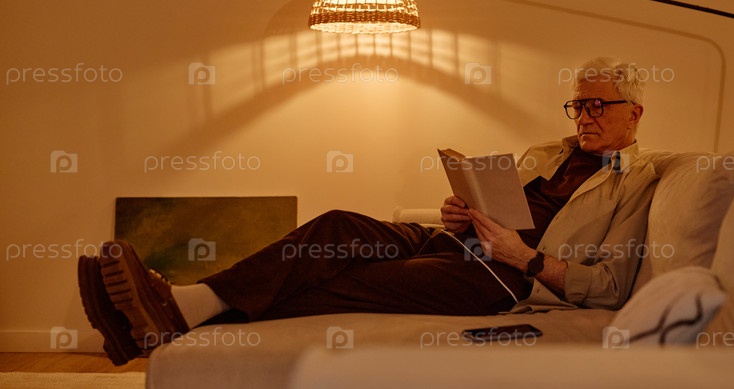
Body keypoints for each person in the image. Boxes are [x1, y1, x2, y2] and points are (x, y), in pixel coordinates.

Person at [79, 56, 659, 365]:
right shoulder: (547, 152)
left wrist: (525, 258)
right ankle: (171, 313)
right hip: (449, 241)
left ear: (633, 112)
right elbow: (503, 202)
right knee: (338, 226)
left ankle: (175, 310)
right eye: (577, 104)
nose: (584, 116)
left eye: (597, 105)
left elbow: (610, 286)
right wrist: (461, 212)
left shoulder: (637, 182)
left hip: (499, 275)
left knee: (352, 280)